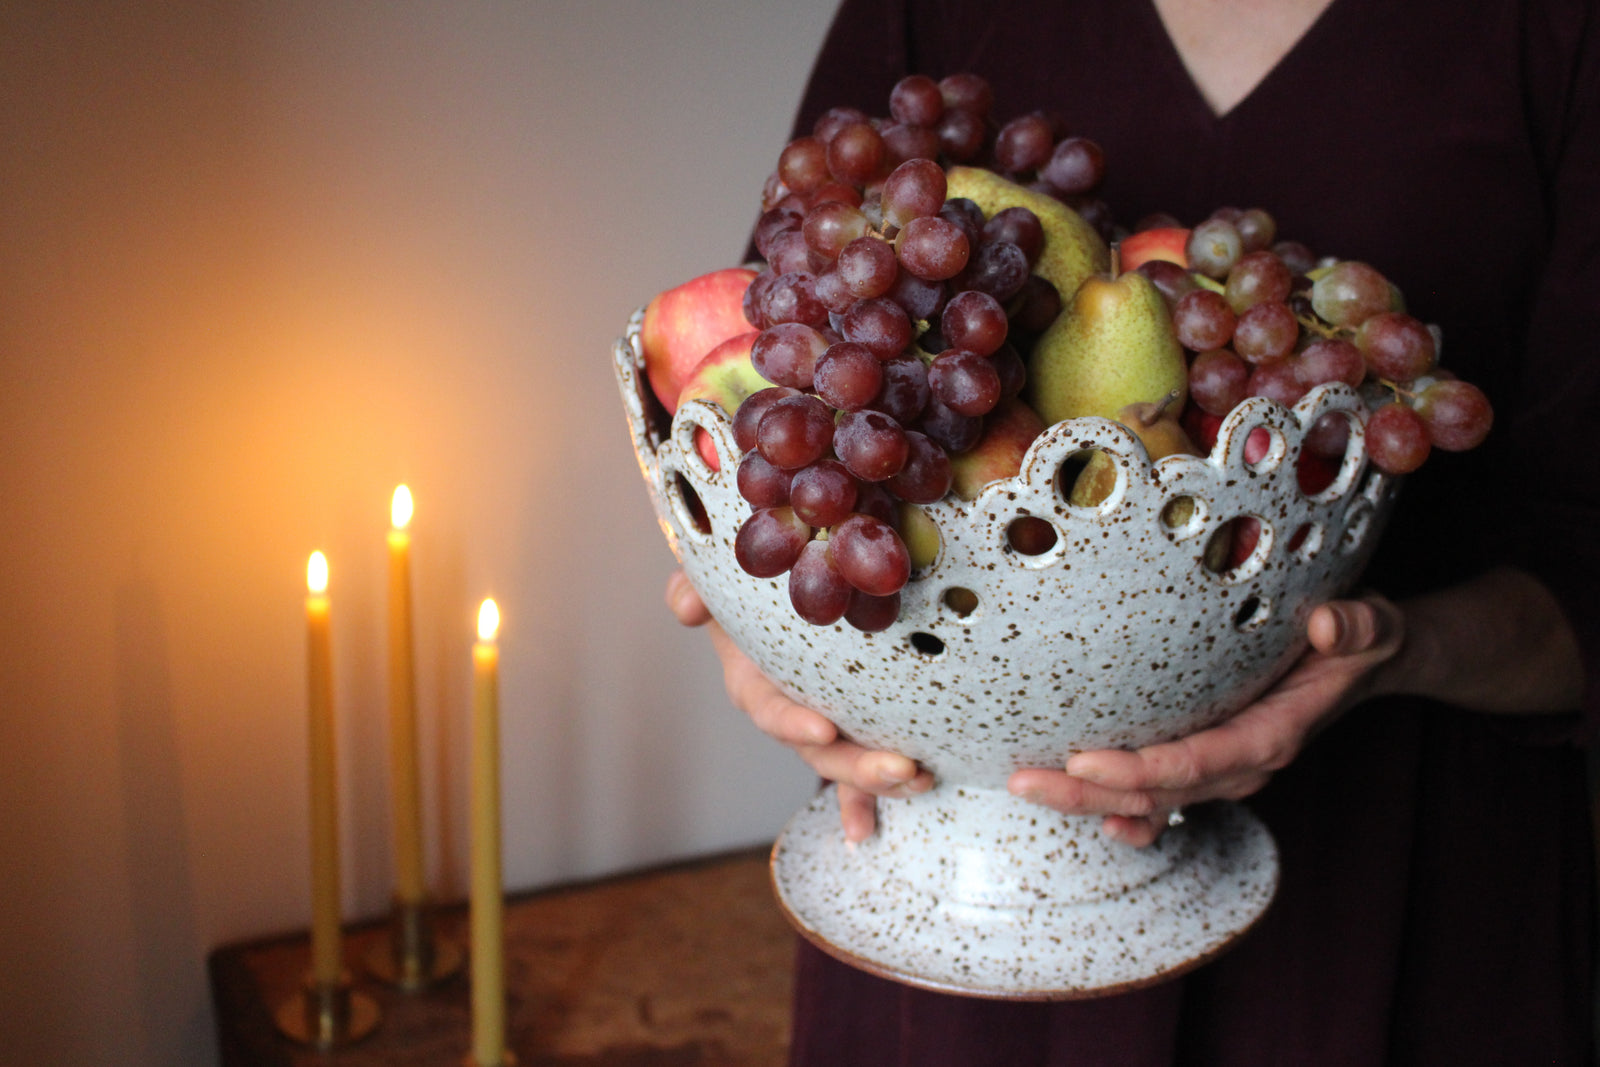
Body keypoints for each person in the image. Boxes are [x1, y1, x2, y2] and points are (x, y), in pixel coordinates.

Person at [668, 0, 1600, 1061]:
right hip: (950, 892)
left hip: (1403, 904)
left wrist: (1396, 650)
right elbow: (773, 394)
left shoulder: (1553, 36)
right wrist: (755, 629)